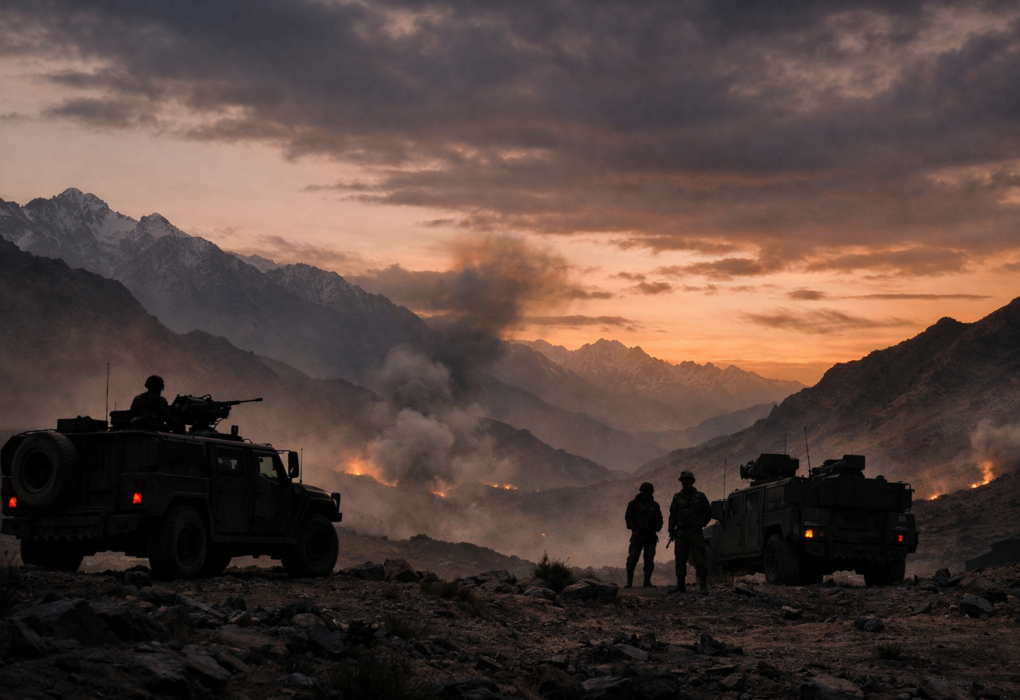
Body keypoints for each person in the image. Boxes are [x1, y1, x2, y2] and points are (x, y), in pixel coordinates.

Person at [668, 470, 713, 594]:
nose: (685, 482)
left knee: (700, 559)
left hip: (695, 531)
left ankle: (703, 586)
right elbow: (673, 515)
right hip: (681, 532)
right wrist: (671, 530)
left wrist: (700, 524)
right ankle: (680, 585)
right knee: (680, 559)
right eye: (683, 480)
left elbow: (707, 513)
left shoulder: (700, 496)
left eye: (687, 480)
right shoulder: (677, 497)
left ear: (692, 481)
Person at [625, 482, 663, 588]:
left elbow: (659, 519)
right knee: (632, 559)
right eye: (646, 491)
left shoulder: (655, 506)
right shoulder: (633, 504)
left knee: (649, 560)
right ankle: (629, 582)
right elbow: (628, 518)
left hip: (650, 537)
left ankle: (647, 582)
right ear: (641, 492)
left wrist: (656, 528)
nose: (648, 494)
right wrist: (634, 528)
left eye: (650, 492)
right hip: (637, 536)